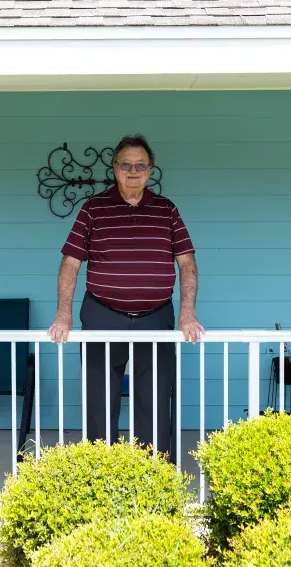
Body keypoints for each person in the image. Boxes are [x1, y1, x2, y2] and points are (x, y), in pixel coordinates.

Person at [48, 134, 202, 455]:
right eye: (126, 164)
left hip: (156, 316)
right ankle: (102, 475)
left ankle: (154, 478)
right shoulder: (93, 209)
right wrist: (63, 314)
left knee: (156, 399)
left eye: (141, 165)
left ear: (150, 170)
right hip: (102, 314)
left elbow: (187, 264)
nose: (134, 171)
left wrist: (187, 314)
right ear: (115, 168)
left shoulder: (166, 210)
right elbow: (71, 262)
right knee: (99, 401)